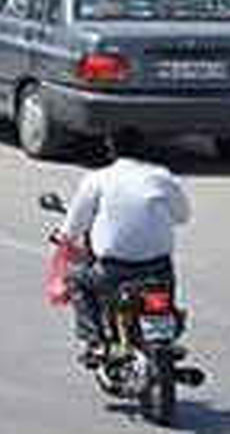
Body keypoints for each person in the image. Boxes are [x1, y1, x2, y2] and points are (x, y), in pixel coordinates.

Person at [60, 147, 191, 365]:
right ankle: (167, 332)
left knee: (76, 280)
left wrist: (63, 236)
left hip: (114, 271)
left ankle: (95, 342)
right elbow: (182, 216)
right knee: (162, 301)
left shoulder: (98, 179)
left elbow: (74, 224)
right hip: (159, 269)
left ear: (111, 150)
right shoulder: (163, 178)